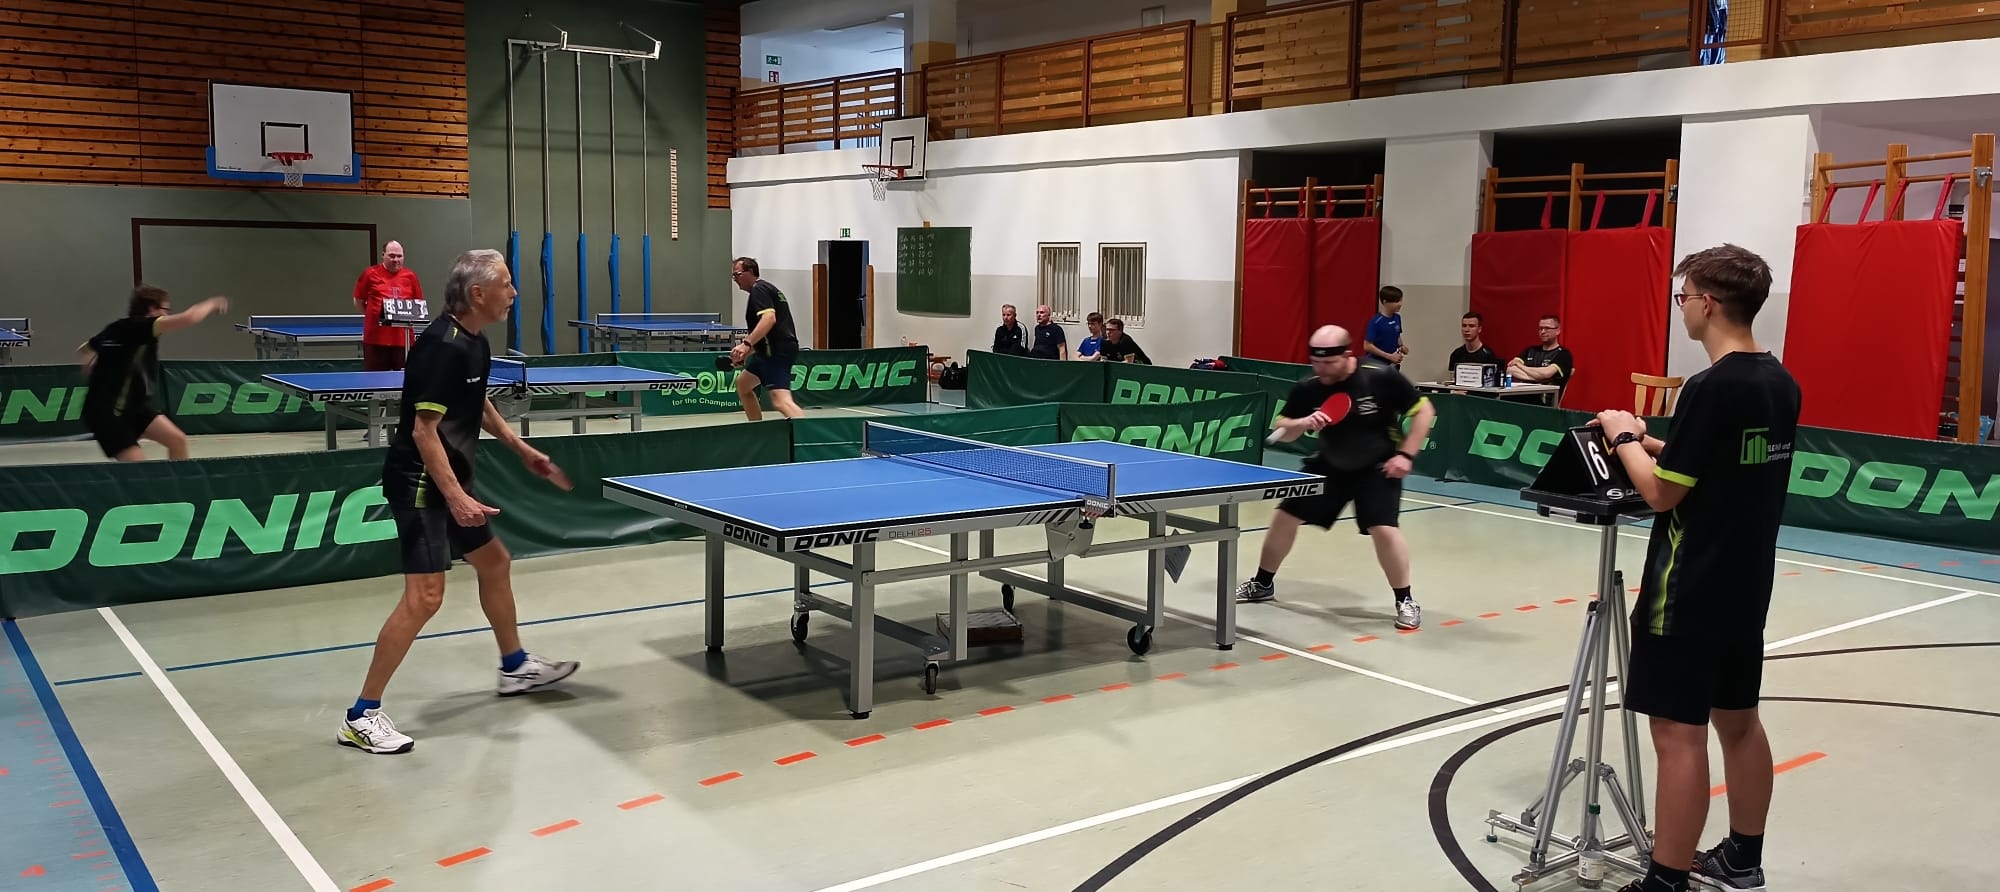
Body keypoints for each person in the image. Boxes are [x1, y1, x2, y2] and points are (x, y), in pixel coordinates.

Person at [1592, 244, 1800, 892]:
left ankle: (1666, 880)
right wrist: (1657, 443)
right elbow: (1719, 464)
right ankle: (1742, 857)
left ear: (1707, 303)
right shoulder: (1779, 382)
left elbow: (1663, 494)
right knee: (1738, 722)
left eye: (1683, 298)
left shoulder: (1711, 387)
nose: (1680, 308)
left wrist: (1624, 436)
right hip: (1745, 586)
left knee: (1677, 734)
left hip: (1688, 588)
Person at [338, 249, 579, 756]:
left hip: (450, 480)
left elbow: (475, 401)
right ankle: (361, 715)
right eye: (507, 284)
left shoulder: (474, 340)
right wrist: (455, 497)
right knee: (425, 599)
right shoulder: (440, 346)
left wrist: (520, 448)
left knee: (494, 562)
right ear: (477, 293)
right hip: (421, 484)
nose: (514, 293)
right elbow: (423, 430)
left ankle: (514, 666)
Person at [1238, 326, 1434, 631]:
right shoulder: (1309, 387)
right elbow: (1283, 430)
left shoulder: (1379, 377)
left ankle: (1405, 599)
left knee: (1383, 529)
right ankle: (1262, 584)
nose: (1322, 369)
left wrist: (1406, 455)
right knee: (1285, 517)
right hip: (1330, 465)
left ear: (1347, 354)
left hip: (1378, 466)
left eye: (1328, 362)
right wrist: (1304, 422)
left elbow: (1424, 411)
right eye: (1316, 362)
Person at [76, 285, 228, 462]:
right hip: (106, 413)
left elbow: (85, 348)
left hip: (133, 406)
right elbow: (190, 317)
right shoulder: (141, 327)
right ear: (152, 309)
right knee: (140, 468)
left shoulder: (116, 328)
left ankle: (178, 480)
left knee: (177, 440)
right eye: (165, 309)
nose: (167, 315)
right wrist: (213, 302)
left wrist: (90, 360)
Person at [727, 256, 805, 421]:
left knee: (780, 401)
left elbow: (769, 319)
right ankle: (757, 429)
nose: (735, 279)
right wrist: (746, 353)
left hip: (776, 351)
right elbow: (765, 333)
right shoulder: (766, 288)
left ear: (750, 271)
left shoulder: (759, 289)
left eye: (737, 274)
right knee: (743, 385)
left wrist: (746, 344)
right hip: (769, 350)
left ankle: (807, 434)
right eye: (733, 276)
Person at [353, 240, 424, 371]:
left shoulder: (411, 276)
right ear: (383, 255)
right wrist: (374, 316)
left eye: (399, 256)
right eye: (391, 256)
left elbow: (417, 305)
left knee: (405, 379)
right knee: (375, 379)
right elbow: (358, 301)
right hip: (375, 340)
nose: (396, 259)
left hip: (404, 341)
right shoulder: (369, 274)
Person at [1446, 311, 1499, 379]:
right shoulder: (1456, 354)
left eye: (1471, 326)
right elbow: (1452, 379)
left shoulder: (1488, 355)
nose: (1467, 330)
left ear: (1479, 329)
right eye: (1464, 326)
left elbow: (1491, 381)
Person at [1364, 285, 1406, 367]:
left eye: (1400, 300)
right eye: (1396, 301)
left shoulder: (1397, 317)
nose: (1400, 304)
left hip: (1392, 365)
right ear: (1385, 302)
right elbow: (1367, 346)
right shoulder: (1376, 322)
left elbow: (1397, 334)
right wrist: (1389, 356)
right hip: (1376, 364)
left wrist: (1401, 346)